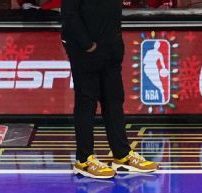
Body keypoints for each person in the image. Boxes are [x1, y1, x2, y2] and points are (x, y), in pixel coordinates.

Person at [61, 0, 159, 180]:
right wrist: (86, 44)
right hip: (84, 49)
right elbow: (69, 14)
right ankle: (84, 160)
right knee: (86, 102)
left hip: (110, 48)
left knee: (114, 99)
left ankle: (122, 154)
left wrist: (116, 44)